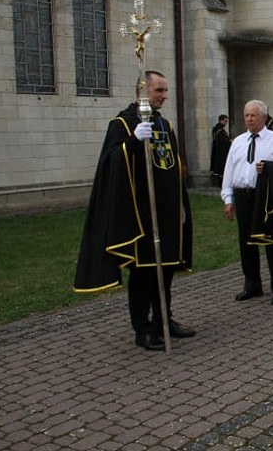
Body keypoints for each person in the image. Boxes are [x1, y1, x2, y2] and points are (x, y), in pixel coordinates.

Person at [74, 70, 195, 351]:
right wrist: (131, 144)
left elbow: (172, 167)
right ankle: (142, 328)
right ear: (143, 92)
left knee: (165, 272)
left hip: (167, 212)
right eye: (159, 91)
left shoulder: (165, 124)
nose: (164, 96)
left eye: (166, 91)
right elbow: (110, 163)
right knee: (143, 274)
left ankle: (164, 320)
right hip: (140, 214)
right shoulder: (123, 124)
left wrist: (181, 207)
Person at [222, 100, 273, 305]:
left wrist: (270, 168)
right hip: (242, 195)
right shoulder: (238, 141)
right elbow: (229, 171)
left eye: (253, 115)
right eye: (246, 115)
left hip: (266, 197)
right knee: (246, 242)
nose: (248, 118)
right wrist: (228, 199)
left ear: (264, 117)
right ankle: (252, 285)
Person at [210, 114, 231, 187]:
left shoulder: (219, 130)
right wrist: (230, 142)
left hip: (219, 152)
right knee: (221, 169)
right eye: (225, 121)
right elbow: (223, 142)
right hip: (221, 153)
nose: (226, 123)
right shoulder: (219, 130)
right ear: (221, 120)